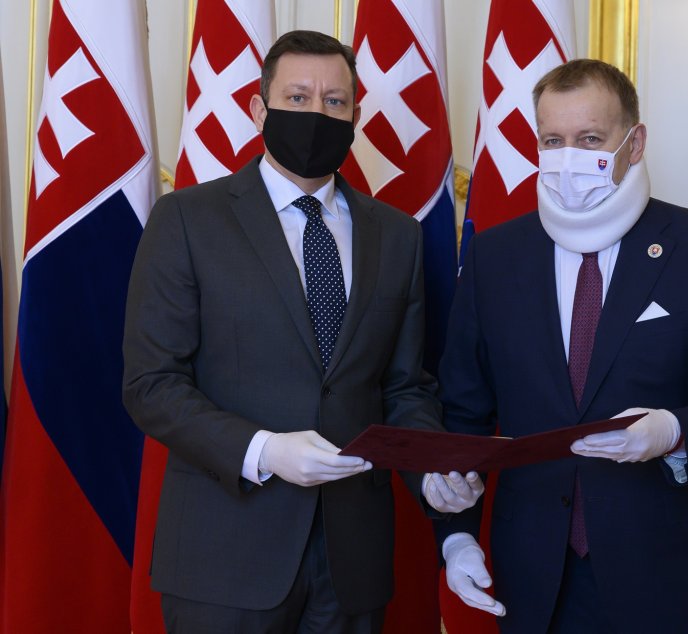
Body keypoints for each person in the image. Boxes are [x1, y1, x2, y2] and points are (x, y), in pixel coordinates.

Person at [123, 30, 481, 633]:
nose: (316, 113)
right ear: (259, 109)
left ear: (355, 116)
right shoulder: (187, 219)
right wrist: (263, 449)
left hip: (353, 561)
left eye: (334, 101)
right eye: (297, 97)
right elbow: (151, 384)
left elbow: (403, 387)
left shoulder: (397, 235)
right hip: (225, 557)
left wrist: (433, 472)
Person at [434, 58, 688, 634]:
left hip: (674, 578)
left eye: (590, 139)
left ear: (635, 142)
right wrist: (456, 538)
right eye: (553, 141)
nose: (568, 157)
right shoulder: (494, 257)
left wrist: (673, 430)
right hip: (536, 580)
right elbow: (462, 414)